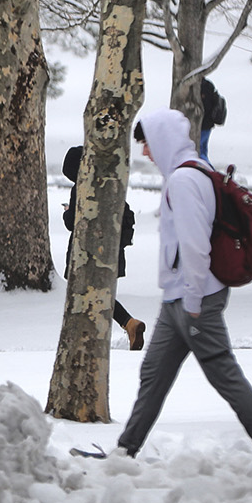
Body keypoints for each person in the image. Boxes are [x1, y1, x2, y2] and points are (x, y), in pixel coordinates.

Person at [110, 109, 252, 460]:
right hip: (179, 300)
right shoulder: (193, 173)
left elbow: (194, 245)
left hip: (195, 300)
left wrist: (192, 300)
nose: (145, 152)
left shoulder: (184, 181)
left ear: (162, 140)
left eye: (146, 144)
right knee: (153, 375)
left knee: (224, 374)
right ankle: (124, 453)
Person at [60, 146, 146, 351]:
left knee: (87, 295)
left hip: (88, 253)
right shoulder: (111, 182)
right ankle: (127, 325)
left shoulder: (81, 186)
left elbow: (72, 222)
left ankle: (107, 332)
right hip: (112, 250)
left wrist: (67, 212)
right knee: (100, 295)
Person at [196, 76, 227, 161]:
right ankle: (206, 167)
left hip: (203, 124)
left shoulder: (202, 87)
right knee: (202, 149)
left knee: (199, 149)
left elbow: (206, 106)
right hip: (207, 124)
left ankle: (206, 168)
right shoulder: (208, 85)